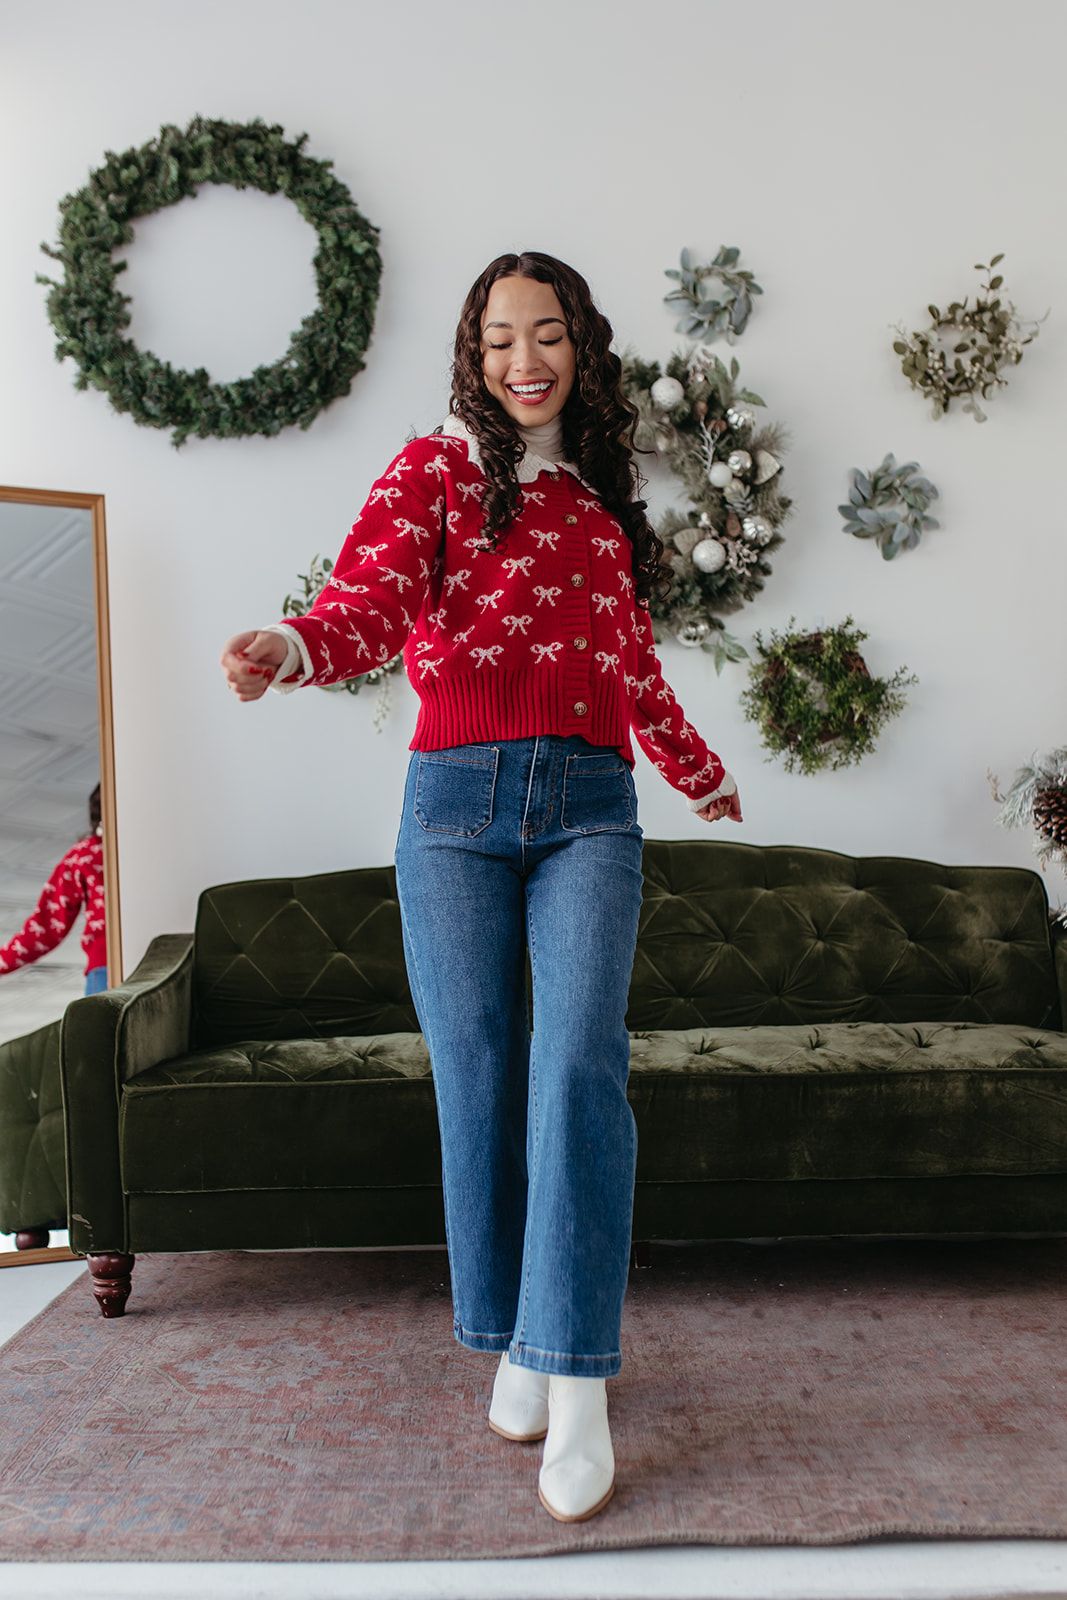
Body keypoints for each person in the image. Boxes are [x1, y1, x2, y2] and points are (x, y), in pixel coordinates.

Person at [219, 251, 743, 1524]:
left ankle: (577, 1386)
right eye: (501, 336)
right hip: (449, 814)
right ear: (473, 350)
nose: (525, 359)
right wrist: (291, 644)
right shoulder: (433, 470)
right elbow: (366, 598)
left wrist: (695, 770)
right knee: (478, 1070)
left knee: (577, 1068)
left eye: (548, 333)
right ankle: (516, 1333)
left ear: (580, 349)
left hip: (589, 815)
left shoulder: (602, 520)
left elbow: (634, 676)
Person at [0, 784, 108, 996]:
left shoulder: (85, 854)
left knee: (104, 1029)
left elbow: (48, 923)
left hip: (105, 968)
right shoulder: (153, 849)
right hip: (167, 961)